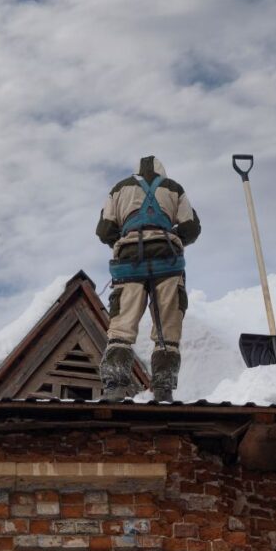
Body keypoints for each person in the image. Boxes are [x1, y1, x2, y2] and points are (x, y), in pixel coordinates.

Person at [96, 155, 201, 401]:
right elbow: (191, 228)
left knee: (122, 328)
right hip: (168, 263)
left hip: (129, 263)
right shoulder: (174, 189)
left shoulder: (119, 189)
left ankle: (115, 388)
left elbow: (104, 229)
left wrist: (123, 241)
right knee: (167, 330)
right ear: (162, 172)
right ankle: (163, 390)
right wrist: (171, 239)